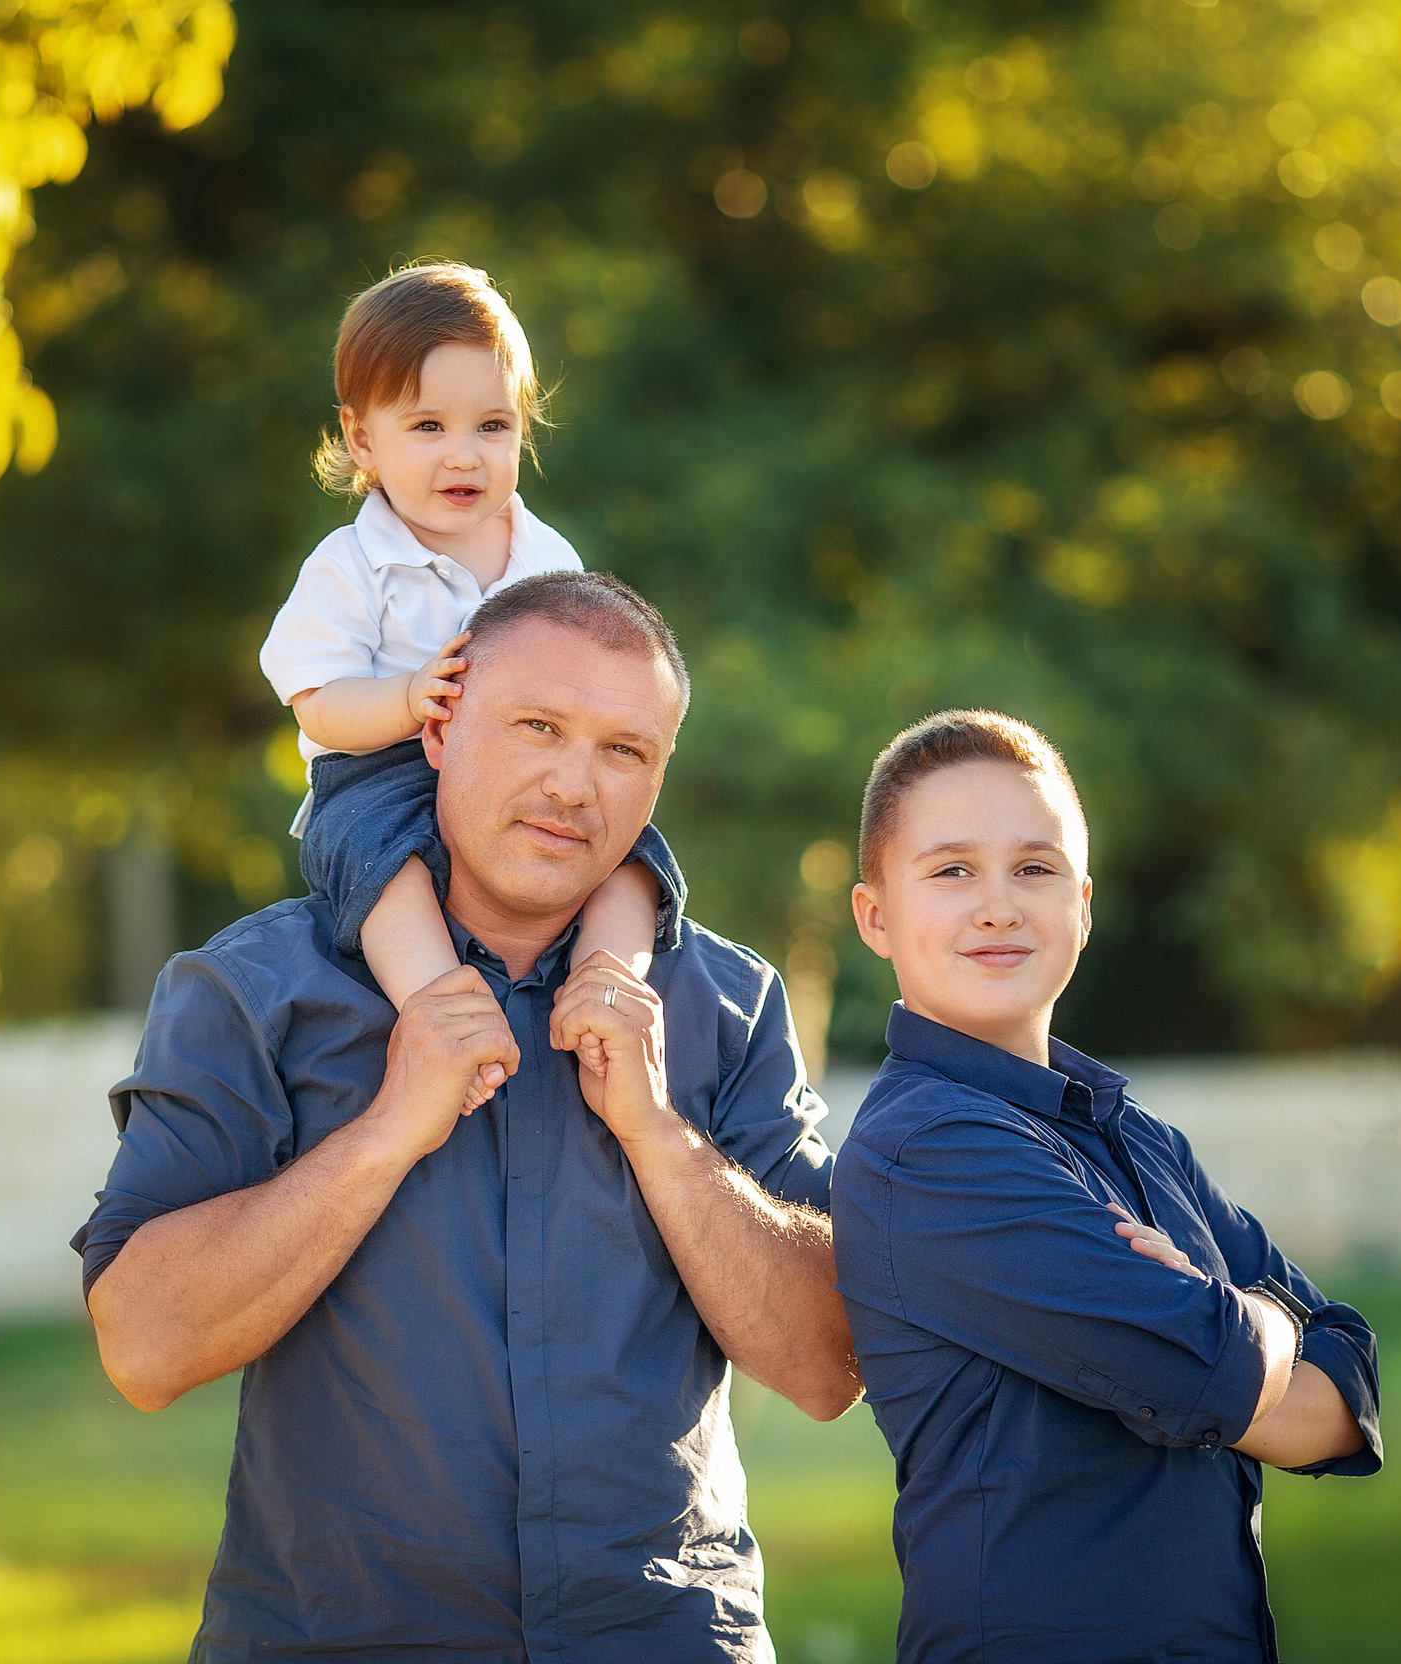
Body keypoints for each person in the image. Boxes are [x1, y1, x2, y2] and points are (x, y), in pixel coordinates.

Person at [75, 572, 861, 1663]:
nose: (572, 784)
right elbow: (144, 1345)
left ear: (658, 775)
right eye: (537, 725)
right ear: (437, 729)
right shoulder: (250, 990)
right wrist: (388, 1127)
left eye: (622, 749)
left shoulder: (725, 1006)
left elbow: (828, 1363)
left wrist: (659, 1136)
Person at [829, 710, 1383, 1664]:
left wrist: (1233, 1328)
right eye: (952, 870)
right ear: (876, 916)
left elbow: (1353, 1389)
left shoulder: (1137, 1136)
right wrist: (1267, 1324)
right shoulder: (927, 1149)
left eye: (1034, 868)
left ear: (1082, 906)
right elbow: (1213, 1370)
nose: (999, 906)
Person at [259, 261, 672, 1110]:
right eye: (427, 427)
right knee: (382, 865)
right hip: (381, 767)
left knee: (636, 852)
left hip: (519, 768)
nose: (464, 454)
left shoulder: (545, 556)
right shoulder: (351, 567)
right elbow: (318, 704)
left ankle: (610, 980)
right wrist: (409, 698)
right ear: (362, 438)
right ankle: (443, 1013)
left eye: (492, 426)